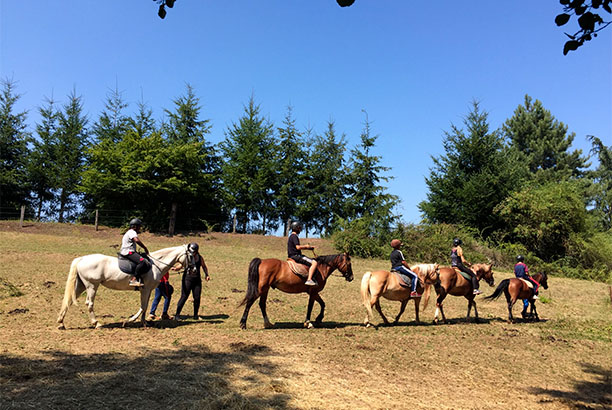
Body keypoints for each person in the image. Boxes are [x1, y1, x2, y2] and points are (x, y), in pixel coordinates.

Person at [174, 242, 210, 320]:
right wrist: (176, 268)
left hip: (197, 280)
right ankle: (177, 315)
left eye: (193, 252)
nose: (191, 253)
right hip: (187, 279)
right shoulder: (187, 258)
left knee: (197, 297)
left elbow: (204, 266)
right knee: (184, 296)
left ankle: (195, 315)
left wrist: (206, 275)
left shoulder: (200, 258)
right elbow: (181, 265)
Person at [119, 218, 150, 287]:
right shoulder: (132, 232)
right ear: (135, 226)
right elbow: (137, 240)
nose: (140, 228)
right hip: (129, 252)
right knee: (142, 261)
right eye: (139, 226)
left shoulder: (129, 232)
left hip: (129, 251)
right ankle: (134, 279)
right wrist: (145, 248)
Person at [287, 221, 318, 286]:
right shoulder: (294, 236)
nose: (300, 230)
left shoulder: (291, 236)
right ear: (296, 228)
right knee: (314, 263)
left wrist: (309, 248)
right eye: (299, 228)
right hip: (296, 256)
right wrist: (306, 246)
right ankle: (309, 279)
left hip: (292, 256)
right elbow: (297, 247)